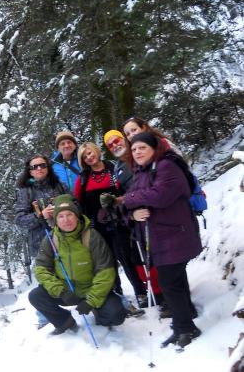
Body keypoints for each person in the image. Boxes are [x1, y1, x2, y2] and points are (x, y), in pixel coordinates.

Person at [124, 132, 202, 349]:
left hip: (176, 234)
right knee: (175, 281)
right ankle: (182, 324)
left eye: (142, 147)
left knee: (169, 282)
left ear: (154, 148)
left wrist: (130, 199)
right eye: (134, 149)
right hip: (161, 238)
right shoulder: (141, 172)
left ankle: (186, 327)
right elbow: (130, 206)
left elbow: (160, 196)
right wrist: (132, 214)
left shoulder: (167, 165)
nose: (137, 152)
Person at [28, 194, 127, 335]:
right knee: (36, 296)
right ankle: (64, 322)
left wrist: (91, 301)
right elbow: (41, 269)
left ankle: (101, 317)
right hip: (65, 291)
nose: (66, 220)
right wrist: (59, 290)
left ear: (77, 216)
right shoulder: (51, 239)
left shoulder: (92, 236)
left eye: (69, 214)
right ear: (55, 220)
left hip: (90, 290)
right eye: (60, 216)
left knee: (116, 314)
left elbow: (105, 271)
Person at [73, 142, 144, 317]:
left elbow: (125, 190)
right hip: (98, 228)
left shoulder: (113, 168)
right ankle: (118, 295)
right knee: (108, 262)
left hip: (120, 221)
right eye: (85, 156)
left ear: (96, 151)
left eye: (90, 153)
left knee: (127, 257)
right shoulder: (83, 178)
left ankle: (140, 292)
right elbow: (78, 203)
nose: (90, 157)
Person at [102, 130, 164, 309]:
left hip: (153, 213)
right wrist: (116, 202)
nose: (115, 145)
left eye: (117, 141)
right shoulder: (117, 168)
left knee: (156, 256)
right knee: (140, 258)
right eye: (110, 145)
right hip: (134, 217)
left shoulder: (140, 156)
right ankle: (159, 295)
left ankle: (168, 295)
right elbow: (123, 193)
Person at [15, 154, 68, 328]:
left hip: (66, 238)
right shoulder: (25, 191)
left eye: (42, 165)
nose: (39, 169)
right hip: (40, 242)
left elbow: (74, 205)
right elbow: (20, 221)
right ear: (29, 171)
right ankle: (46, 315)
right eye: (34, 167)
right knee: (44, 278)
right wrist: (40, 215)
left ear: (48, 167)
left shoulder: (59, 185)